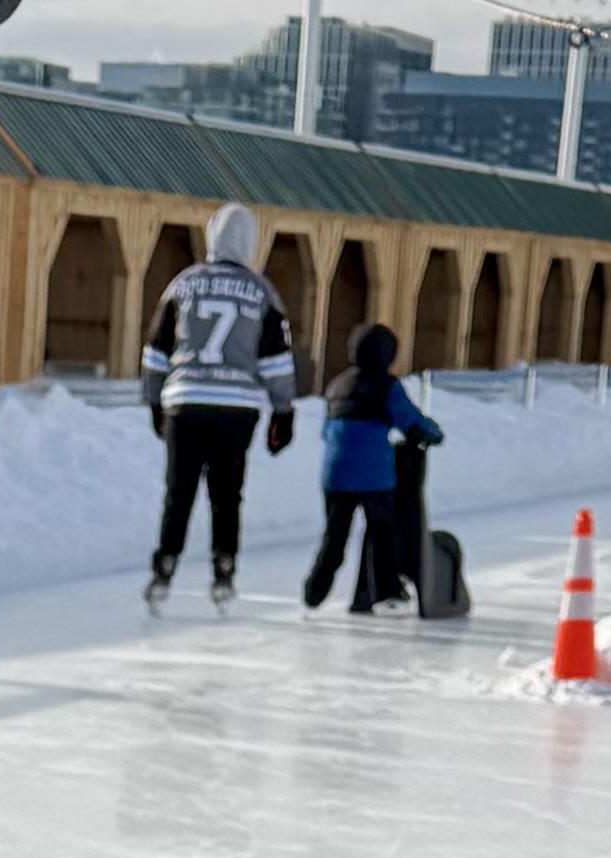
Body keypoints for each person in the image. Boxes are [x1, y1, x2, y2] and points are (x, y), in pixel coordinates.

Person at [140, 206, 297, 610]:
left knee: (179, 491)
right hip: (236, 408)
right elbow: (276, 361)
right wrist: (283, 411)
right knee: (227, 494)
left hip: (186, 401)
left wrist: (154, 401)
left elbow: (157, 351)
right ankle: (224, 570)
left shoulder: (183, 285)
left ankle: (164, 567)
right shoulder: (262, 292)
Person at [304, 318, 441, 615]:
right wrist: (432, 433)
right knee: (382, 532)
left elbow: (327, 431)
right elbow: (410, 421)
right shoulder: (387, 386)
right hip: (374, 476)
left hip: (335, 474)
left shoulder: (338, 384)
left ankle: (314, 590)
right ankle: (387, 591)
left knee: (334, 535)